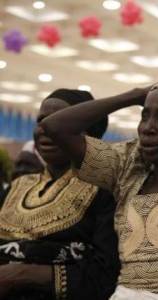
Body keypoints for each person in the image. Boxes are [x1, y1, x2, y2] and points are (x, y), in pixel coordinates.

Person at [41, 79, 158, 299]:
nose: (148, 128)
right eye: (145, 116)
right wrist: (134, 95)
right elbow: (54, 127)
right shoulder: (129, 170)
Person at [0, 89, 120, 300]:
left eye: (60, 121)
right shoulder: (18, 185)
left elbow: (106, 275)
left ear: (89, 132)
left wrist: (23, 274)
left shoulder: (107, 191)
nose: (46, 129)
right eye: (41, 120)